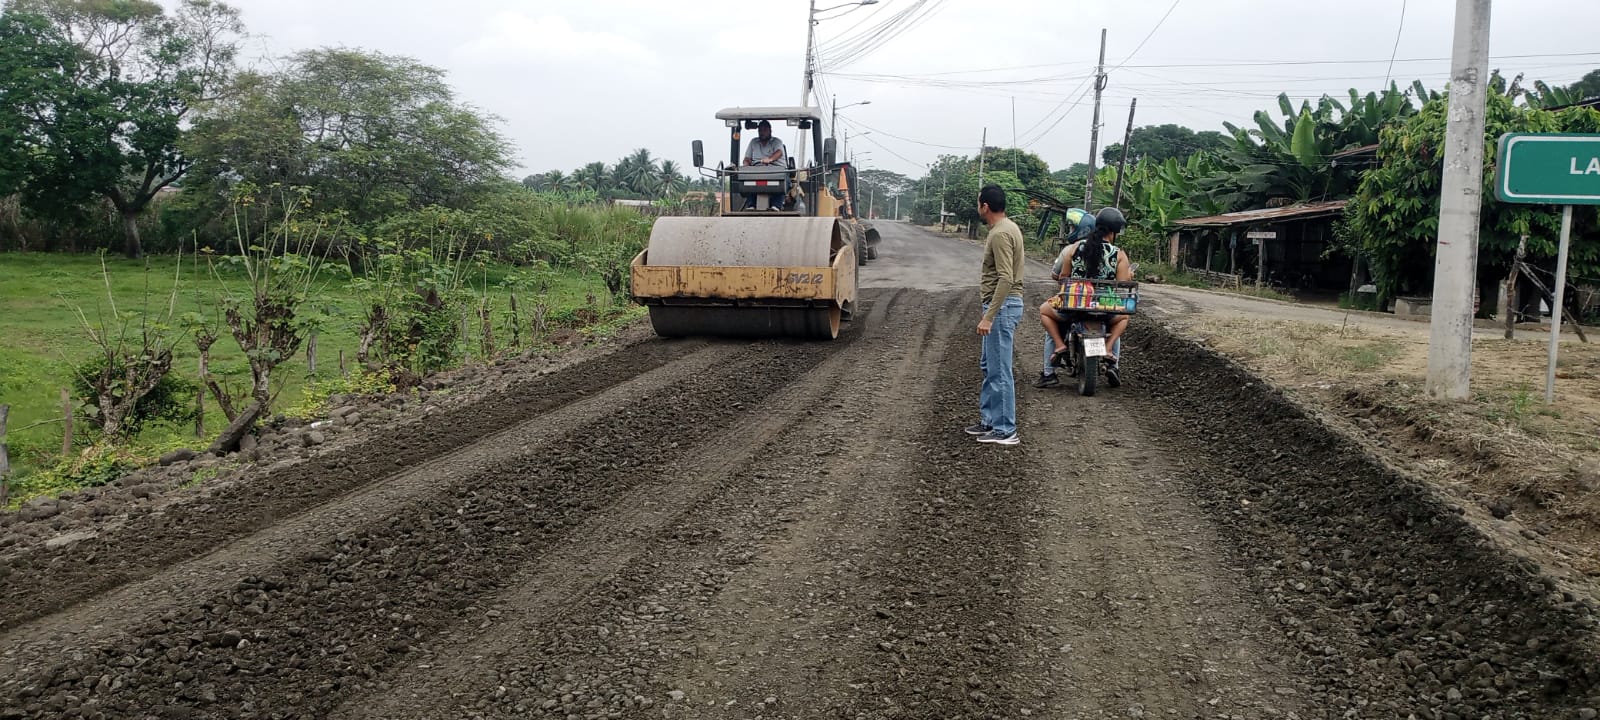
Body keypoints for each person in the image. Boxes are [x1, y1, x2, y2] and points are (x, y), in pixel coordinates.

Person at [1040, 206, 1133, 383]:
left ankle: (1058, 348)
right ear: (1114, 232)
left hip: (1075, 304)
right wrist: (1129, 275)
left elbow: (1064, 277)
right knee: (1123, 317)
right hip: (1104, 306)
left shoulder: (1074, 248)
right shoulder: (1119, 254)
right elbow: (1122, 283)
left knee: (1044, 311)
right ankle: (1109, 349)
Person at [964, 184, 1026, 446]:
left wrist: (989, 315)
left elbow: (1006, 278)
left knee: (999, 370)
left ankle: (1005, 429)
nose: (978, 207)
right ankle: (990, 421)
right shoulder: (1007, 228)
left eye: (978, 202)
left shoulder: (1000, 234)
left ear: (985, 206)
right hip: (1003, 306)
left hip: (1003, 307)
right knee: (989, 366)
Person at [1032, 207, 1096, 388]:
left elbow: (1057, 274)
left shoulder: (1070, 249)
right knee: (1113, 326)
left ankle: (1049, 373)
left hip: (1072, 304)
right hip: (1100, 305)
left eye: (1072, 227)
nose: (1070, 230)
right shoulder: (1108, 250)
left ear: (1081, 229)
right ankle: (1114, 365)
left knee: (1050, 323)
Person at [741, 120, 786, 210]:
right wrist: (746, 164)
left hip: (776, 172)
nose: (762, 132)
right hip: (757, 172)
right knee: (748, 180)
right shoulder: (753, 142)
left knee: (780, 182)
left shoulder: (776, 141)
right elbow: (747, 158)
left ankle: (776, 206)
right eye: (760, 130)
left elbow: (779, 152)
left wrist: (770, 159)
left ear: (770, 130)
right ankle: (751, 205)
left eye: (765, 130)